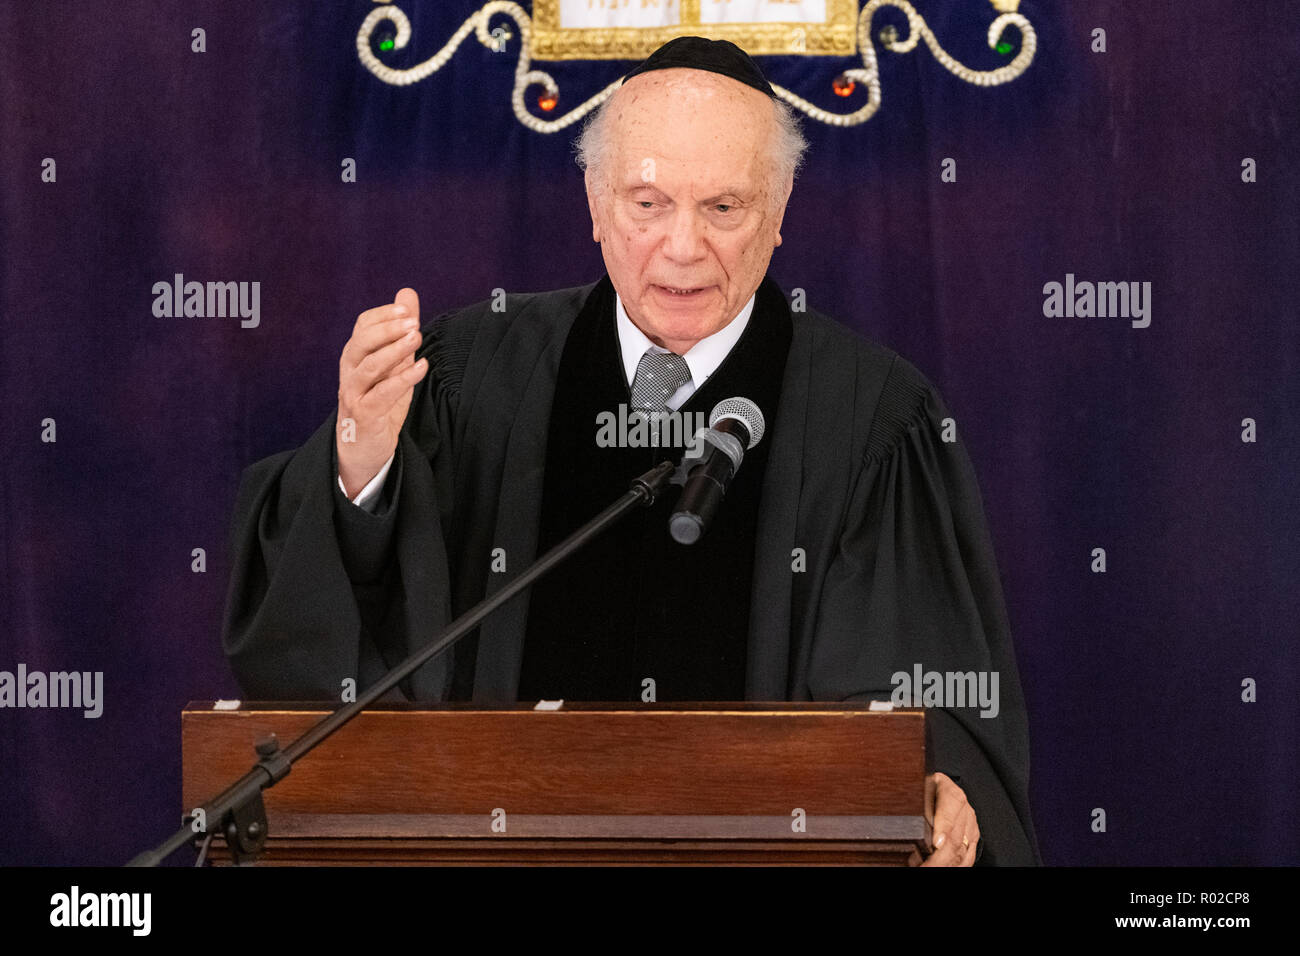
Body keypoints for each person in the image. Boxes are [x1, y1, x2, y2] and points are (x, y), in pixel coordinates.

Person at [222, 37, 1040, 866]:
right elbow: (326, 643)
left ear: (782, 207)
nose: (683, 248)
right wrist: (360, 464)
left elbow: (921, 710)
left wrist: (929, 782)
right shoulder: (471, 379)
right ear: (595, 202)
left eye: (724, 208)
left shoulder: (872, 420)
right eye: (647, 204)